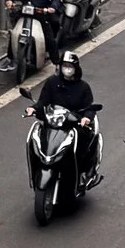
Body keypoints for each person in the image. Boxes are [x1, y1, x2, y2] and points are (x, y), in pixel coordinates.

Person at [34, 50, 100, 183]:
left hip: (74, 126)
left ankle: (85, 173)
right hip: (54, 123)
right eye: (65, 66)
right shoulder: (52, 82)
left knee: (85, 142)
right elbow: (43, 101)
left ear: (76, 68)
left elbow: (89, 108)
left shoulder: (83, 87)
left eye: (70, 66)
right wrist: (33, 109)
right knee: (37, 138)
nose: (67, 69)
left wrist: (85, 118)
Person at [7, 0, 61, 70]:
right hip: (25, 10)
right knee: (13, 33)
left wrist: (52, 8)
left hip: (41, 12)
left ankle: (56, 63)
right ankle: (10, 59)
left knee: (50, 38)